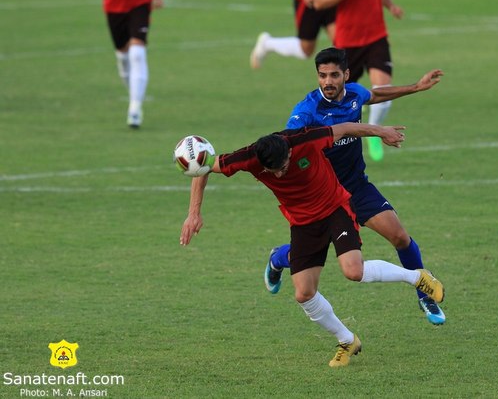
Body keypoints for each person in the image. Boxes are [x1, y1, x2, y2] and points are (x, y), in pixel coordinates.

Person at [179, 123, 445, 367]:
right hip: (303, 224)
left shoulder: (306, 139)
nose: (281, 173)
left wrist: (380, 131)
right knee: (304, 293)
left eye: (285, 165)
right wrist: (194, 213)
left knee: (354, 271)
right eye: (275, 171)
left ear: (289, 152)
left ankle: (417, 277)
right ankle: (347, 340)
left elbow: (348, 128)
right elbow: (203, 169)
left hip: (335, 209)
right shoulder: (248, 158)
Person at [264, 47, 447, 325]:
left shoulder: (354, 94)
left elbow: (376, 95)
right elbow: (288, 140)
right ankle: (278, 257)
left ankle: (425, 296)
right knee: (314, 256)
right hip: (325, 199)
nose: (328, 82)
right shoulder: (306, 111)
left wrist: (416, 87)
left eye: (334, 75)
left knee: (400, 236)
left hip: (357, 188)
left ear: (345, 75)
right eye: (322, 75)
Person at [313, 0, 403, 161]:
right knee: (341, 99)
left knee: (383, 92)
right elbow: (318, 2)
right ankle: (336, 144)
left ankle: (374, 131)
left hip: (376, 37)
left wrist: (390, 5)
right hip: (348, 41)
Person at [82, 0, 164, 128]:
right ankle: (134, 95)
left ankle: (134, 108)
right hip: (114, 6)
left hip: (141, 2)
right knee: (123, 57)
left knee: (137, 54)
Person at [250, 0, 336, 69]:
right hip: (310, 0)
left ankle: (343, 81)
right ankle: (267, 43)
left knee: (341, 42)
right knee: (306, 49)